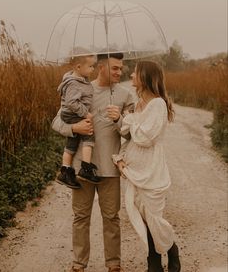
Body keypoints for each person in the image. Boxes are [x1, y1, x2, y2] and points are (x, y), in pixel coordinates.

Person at [66, 52, 135, 272]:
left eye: (121, 68)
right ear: (101, 67)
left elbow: (133, 135)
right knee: (81, 217)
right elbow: (57, 121)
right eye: (115, 68)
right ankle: (79, 264)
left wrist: (119, 120)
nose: (119, 72)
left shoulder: (125, 96)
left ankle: (114, 265)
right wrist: (74, 128)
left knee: (112, 218)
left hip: (110, 169)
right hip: (81, 167)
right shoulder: (80, 89)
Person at [113, 60, 181, 272]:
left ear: (145, 77)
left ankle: (171, 250)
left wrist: (128, 120)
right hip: (135, 169)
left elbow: (144, 137)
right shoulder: (138, 103)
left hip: (151, 170)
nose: (131, 75)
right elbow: (131, 139)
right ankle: (153, 261)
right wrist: (121, 158)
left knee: (154, 217)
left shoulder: (158, 104)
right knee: (142, 216)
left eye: (134, 73)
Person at [56, 55, 102, 190]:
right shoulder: (74, 83)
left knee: (72, 142)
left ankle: (65, 170)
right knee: (89, 133)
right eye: (90, 66)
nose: (93, 69)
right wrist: (85, 113)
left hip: (70, 115)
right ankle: (85, 167)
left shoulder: (79, 80)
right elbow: (71, 102)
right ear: (78, 67)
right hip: (72, 114)